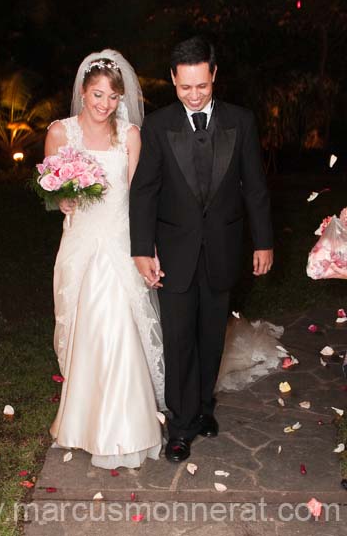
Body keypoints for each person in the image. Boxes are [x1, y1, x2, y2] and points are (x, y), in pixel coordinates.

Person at [130, 36, 273, 463]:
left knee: (212, 339)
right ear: (173, 79)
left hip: (223, 251)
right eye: (184, 87)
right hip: (173, 255)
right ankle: (180, 425)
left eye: (201, 86)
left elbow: (256, 188)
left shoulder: (241, 121)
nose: (193, 96)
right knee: (179, 342)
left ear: (214, 74)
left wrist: (263, 241)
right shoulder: (157, 127)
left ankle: (204, 407)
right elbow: (144, 193)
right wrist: (141, 249)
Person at [46, 49, 165, 469]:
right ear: (83, 91)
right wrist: (63, 197)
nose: (105, 105)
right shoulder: (60, 133)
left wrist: (147, 250)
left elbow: (140, 200)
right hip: (79, 243)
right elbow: (52, 187)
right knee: (83, 331)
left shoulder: (129, 135)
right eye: (98, 95)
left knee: (117, 329)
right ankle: (82, 423)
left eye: (113, 97)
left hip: (118, 242)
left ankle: (126, 429)